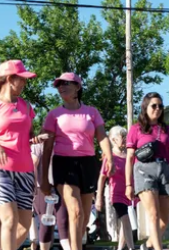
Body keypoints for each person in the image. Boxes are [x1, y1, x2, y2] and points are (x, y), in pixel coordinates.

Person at [0, 60, 47, 250]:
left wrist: (37, 138)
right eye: (21, 79)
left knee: (24, 226)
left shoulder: (27, 107)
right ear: (8, 79)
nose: (24, 83)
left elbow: (28, 136)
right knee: (10, 220)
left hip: (25, 171)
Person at [40, 72, 114, 250]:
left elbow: (102, 137)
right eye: (59, 84)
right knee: (76, 210)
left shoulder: (91, 112)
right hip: (63, 164)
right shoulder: (54, 115)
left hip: (87, 163)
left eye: (66, 83)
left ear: (78, 87)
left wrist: (109, 158)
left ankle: (75, 246)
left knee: (85, 217)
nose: (61, 87)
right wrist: (43, 179)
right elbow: (47, 148)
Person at [125, 92, 169, 250]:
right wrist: (129, 184)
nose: (158, 108)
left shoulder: (166, 129)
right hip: (144, 170)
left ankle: (147, 245)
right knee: (153, 214)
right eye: (154, 105)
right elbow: (129, 158)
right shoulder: (136, 129)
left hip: (165, 170)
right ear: (145, 107)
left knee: (164, 220)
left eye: (160, 106)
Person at [96, 126, 135, 250]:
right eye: (121, 137)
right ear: (113, 139)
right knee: (126, 219)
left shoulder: (129, 156)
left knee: (124, 223)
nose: (124, 139)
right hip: (116, 195)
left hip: (129, 193)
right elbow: (102, 178)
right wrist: (98, 198)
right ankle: (132, 248)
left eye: (125, 136)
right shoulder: (110, 157)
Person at [31, 143, 70, 250]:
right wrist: (33, 186)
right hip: (41, 189)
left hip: (61, 188)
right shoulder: (38, 146)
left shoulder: (64, 143)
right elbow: (33, 164)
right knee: (46, 223)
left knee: (63, 221)